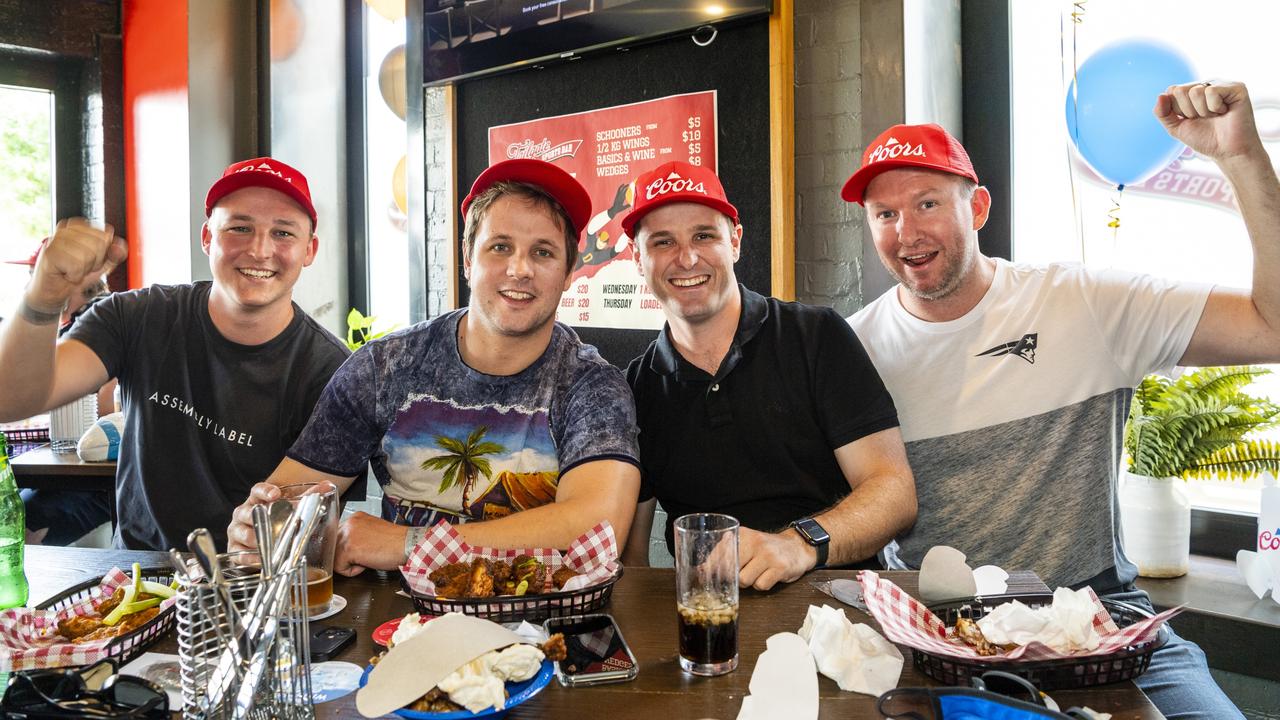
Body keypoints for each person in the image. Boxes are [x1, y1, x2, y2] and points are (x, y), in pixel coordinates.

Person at [844, 81, 1274, 719]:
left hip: (1104, 626)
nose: (907, 231)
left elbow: (1272, 323)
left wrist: (1241, 160)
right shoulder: (853, 351)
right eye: (884, 213)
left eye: (928, 202)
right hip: (940, 639)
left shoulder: (1085, 305)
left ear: (979, 207)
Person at [225, 158, 641, 576]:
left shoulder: (592, 386)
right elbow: (288, 503)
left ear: (569, 271)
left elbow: (599, 531)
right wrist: (261, 527)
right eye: (500, 247)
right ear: (466, 257)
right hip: (399, 630)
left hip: (546, 630)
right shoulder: (384, 368)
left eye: (543, 252)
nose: (519, 269)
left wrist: (408, 543)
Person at [0, 157, 351, 551]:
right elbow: (10, 399)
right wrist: (43, 296)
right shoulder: (139, 317)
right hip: (135, 582)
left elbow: (302, 521)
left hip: (251, 585)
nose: (259, 250)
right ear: (207, 238)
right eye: (240, 227)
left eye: (283, 233)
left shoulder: (331, 372)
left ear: (309, 249)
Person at [620, 160, 916, 591]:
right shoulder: (635, 389)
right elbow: (634, 559)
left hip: (839, 610)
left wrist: (799, 544)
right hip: (710, 619)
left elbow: (894, 493)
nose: (686, 258)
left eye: (704, 235)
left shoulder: (816, 336)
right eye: (663, 242)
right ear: (636, 257)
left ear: (735, 241)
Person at [5, 239, 118, 545]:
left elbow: (112, 409)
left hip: (98, 485)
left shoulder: (106, 324)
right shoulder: (77, 327)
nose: (34, 285)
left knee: (16, 522)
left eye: (42, 276)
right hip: (70, 476)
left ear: (76, 277)